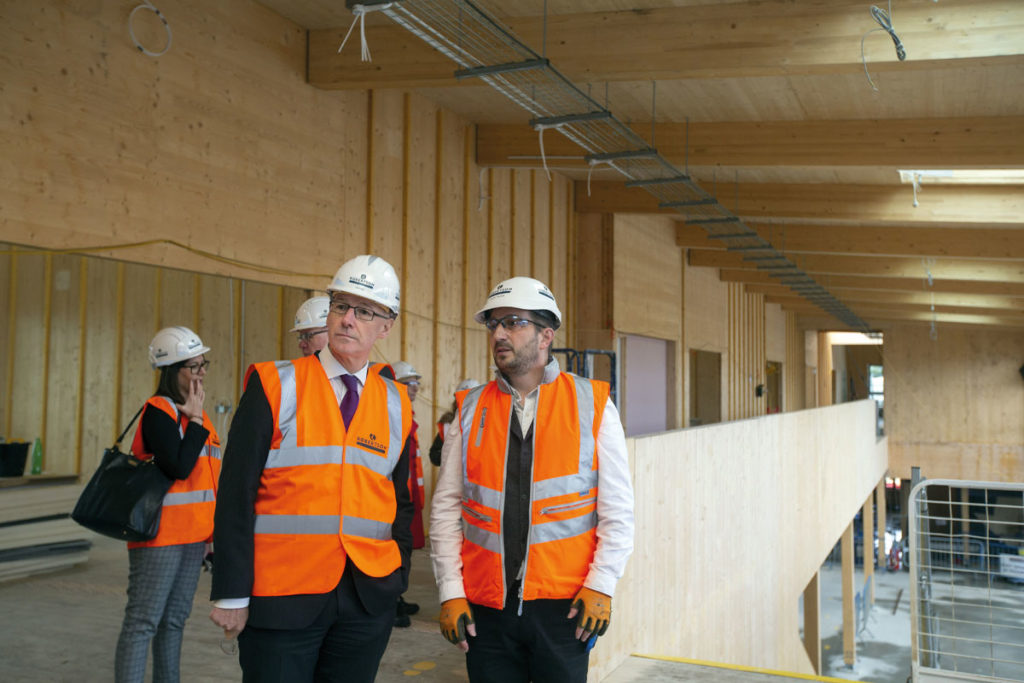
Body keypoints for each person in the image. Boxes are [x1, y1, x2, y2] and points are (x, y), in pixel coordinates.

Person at [209, 254, 414, 683]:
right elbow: (235, 493)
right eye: (340, 306)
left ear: (386, 325)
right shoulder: (273, 384)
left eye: (364, 311)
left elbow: (400, 502)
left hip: (366, 599)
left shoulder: (396, 401)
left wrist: (398, 580)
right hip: (281, 596)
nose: (347, 320)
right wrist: (231, 591)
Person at [430, 277, 635, 683]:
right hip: (486, 608)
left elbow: (618, 512)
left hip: (566, 610)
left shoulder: (592, 404)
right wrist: (450, 590)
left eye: (513, 323)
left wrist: (601, 585)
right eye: (493, 325)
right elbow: (445, 508)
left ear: (546, 335)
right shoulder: (470, 409)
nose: (499, 334)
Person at [115, 326, 222, 683]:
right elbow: (178, 466)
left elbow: (208, 479)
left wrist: (212, 535)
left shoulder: (200, 417)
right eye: (193, 366)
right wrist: (192, 420)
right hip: (160, 536)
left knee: (174, 621)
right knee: (143, 622)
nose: (201, 372)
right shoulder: (159, 410)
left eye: (203, 364)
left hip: (193, 537)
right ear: (170, 371)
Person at [390, 360, 426, 627]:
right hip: (394, 498)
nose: (415, 387)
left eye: (416, 382)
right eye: (409, 382)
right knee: (393, 552)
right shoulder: (390, 413)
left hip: (409, 498)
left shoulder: (406, 414)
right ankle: (389, 603)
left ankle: (397, 597)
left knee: (405, 552)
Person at [428, 378, 480, 468]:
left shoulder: (486, 423)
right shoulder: (448, 425)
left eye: (471, 398)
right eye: (463, 398)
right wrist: (451, 457)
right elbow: (434, 455)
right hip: (453, 479)